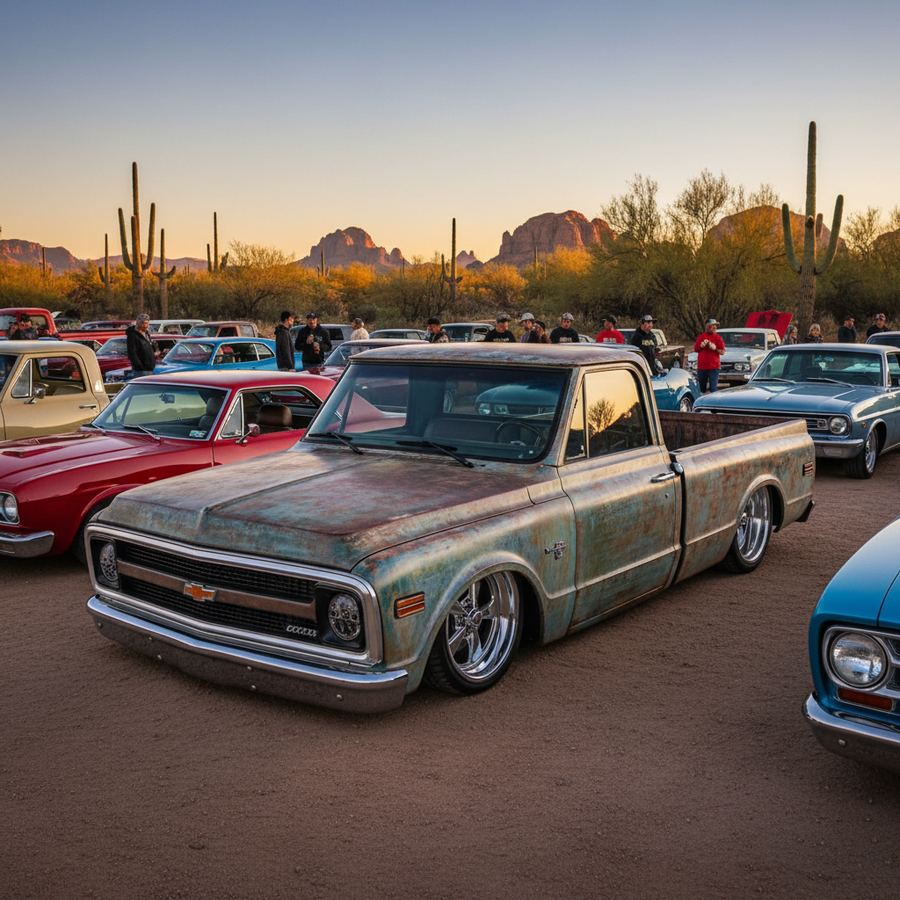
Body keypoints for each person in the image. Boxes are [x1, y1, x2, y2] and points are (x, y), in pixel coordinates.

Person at [693, 317, 726, 393]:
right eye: (713, 325)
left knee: (713, 389)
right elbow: (696, 349)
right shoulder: (701, 337)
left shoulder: (718, 338)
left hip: (714, 368)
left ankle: (714, 403)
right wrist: (701, 346)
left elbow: (722, 352)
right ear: (707, 326)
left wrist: (715, 349)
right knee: (701, 389)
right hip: (702, 367)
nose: (715, 327)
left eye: (716, 326)